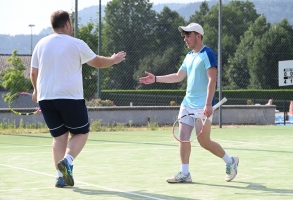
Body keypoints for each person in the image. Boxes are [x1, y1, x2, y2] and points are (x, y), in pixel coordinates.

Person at [30, 10, 126, 188]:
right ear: (67, 24)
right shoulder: (76, 43)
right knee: (81, 133)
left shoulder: (40, 44)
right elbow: (97, 62)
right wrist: (113, 60)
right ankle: (67, 161)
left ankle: (60, 177)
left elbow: (33, 73)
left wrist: (36, 91)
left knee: (59, 138)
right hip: (69, 98)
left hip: (46, 98)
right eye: (71, 24)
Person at [139, 23, 239, 183]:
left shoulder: (208, 54)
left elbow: (212, 79)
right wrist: (156, 79)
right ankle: (185, 173)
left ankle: (230, 161)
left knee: (204, 141)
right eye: (184, 36)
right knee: (183, 137)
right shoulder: (189, 55)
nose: (185, 39)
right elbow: (178, 76)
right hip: (187, 104)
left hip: (202, 106)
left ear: (198, 36)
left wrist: (207, 104)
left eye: (188, 35)